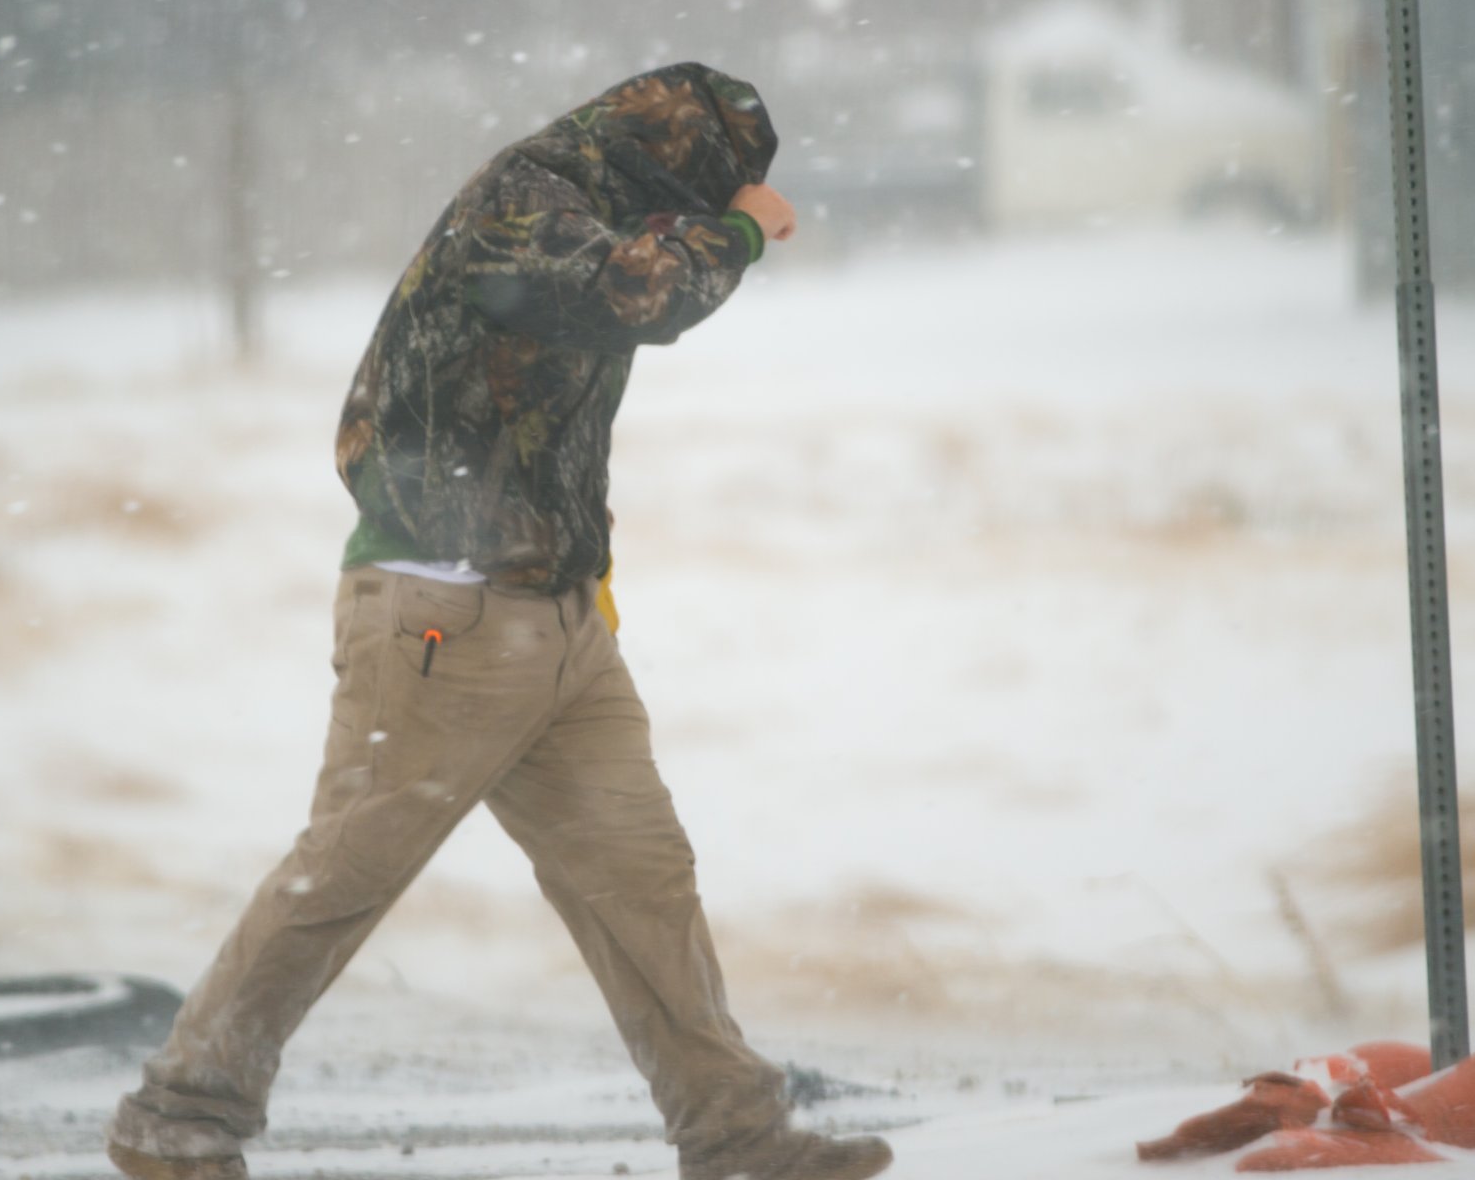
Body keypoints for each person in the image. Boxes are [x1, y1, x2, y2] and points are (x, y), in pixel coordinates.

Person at [107, 65, 893, 1180]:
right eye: (703, 191)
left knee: (642, 878)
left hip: (560, 620)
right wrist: (739, 231)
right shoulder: (522, 207)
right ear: (664, 163)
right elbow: (641, 294)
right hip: (442, 615)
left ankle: (737, 1136)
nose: (695, 219)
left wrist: (586, 585)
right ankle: (179, 1113)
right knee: (349, 868)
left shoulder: (598, 209)